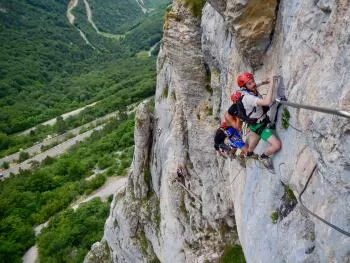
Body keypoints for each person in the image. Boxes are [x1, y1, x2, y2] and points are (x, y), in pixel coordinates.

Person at [225, 72, 281, 170]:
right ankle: (264, 157)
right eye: (249, 83)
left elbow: (252, 84)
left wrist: (263, 82)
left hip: (255, 125)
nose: (253, 84)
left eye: (253, 81)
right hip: (260, 127)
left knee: (250, 148)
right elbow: (266, 102)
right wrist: (272, 83)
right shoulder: (248, 98)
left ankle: (249, 154)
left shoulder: (243, 90)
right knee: (277, 145)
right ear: (245, 86)